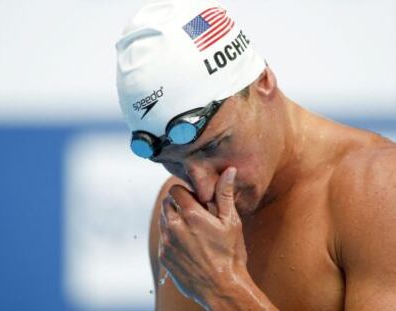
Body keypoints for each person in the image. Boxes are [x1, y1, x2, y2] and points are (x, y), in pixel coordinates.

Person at [116, 0, 396, 309]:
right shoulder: (183, 223)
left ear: (264, 82)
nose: (204, 189)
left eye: (213, 146)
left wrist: (225, 288)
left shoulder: (376, 192)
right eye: (174, 163)